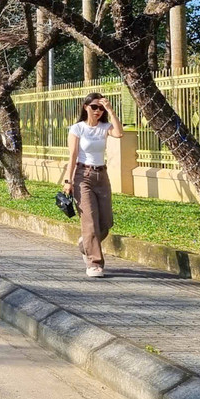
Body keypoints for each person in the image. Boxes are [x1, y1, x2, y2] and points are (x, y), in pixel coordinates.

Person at [63, 92, 124, 278]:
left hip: (102, 176)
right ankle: (94, 263)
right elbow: (72, 156)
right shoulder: (78, 129)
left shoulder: (105, 127)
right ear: (86, 107)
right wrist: (68, 181)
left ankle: (86, 244)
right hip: (83, 176)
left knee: (106, 222)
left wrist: (111, 110)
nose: (98, 111)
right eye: (94, 107)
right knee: (89, 220)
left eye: (101, 108)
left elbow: (119, 133)